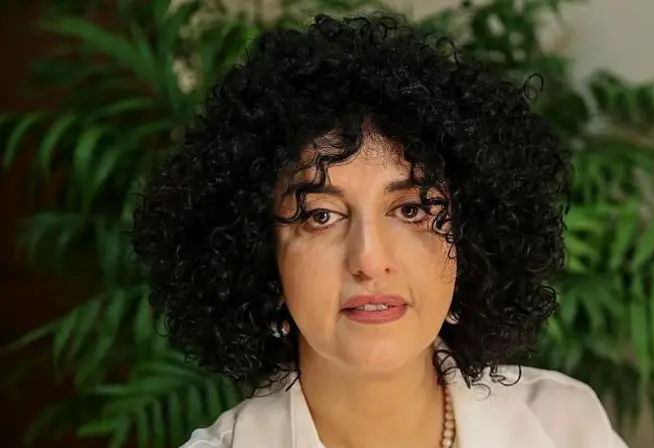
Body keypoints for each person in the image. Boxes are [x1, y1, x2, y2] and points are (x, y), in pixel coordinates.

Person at [130, 12, 628, 448]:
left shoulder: (565, 426)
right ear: (260, 258)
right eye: (320, 215)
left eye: (411, 210)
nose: (369, 260)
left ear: (471, 238)